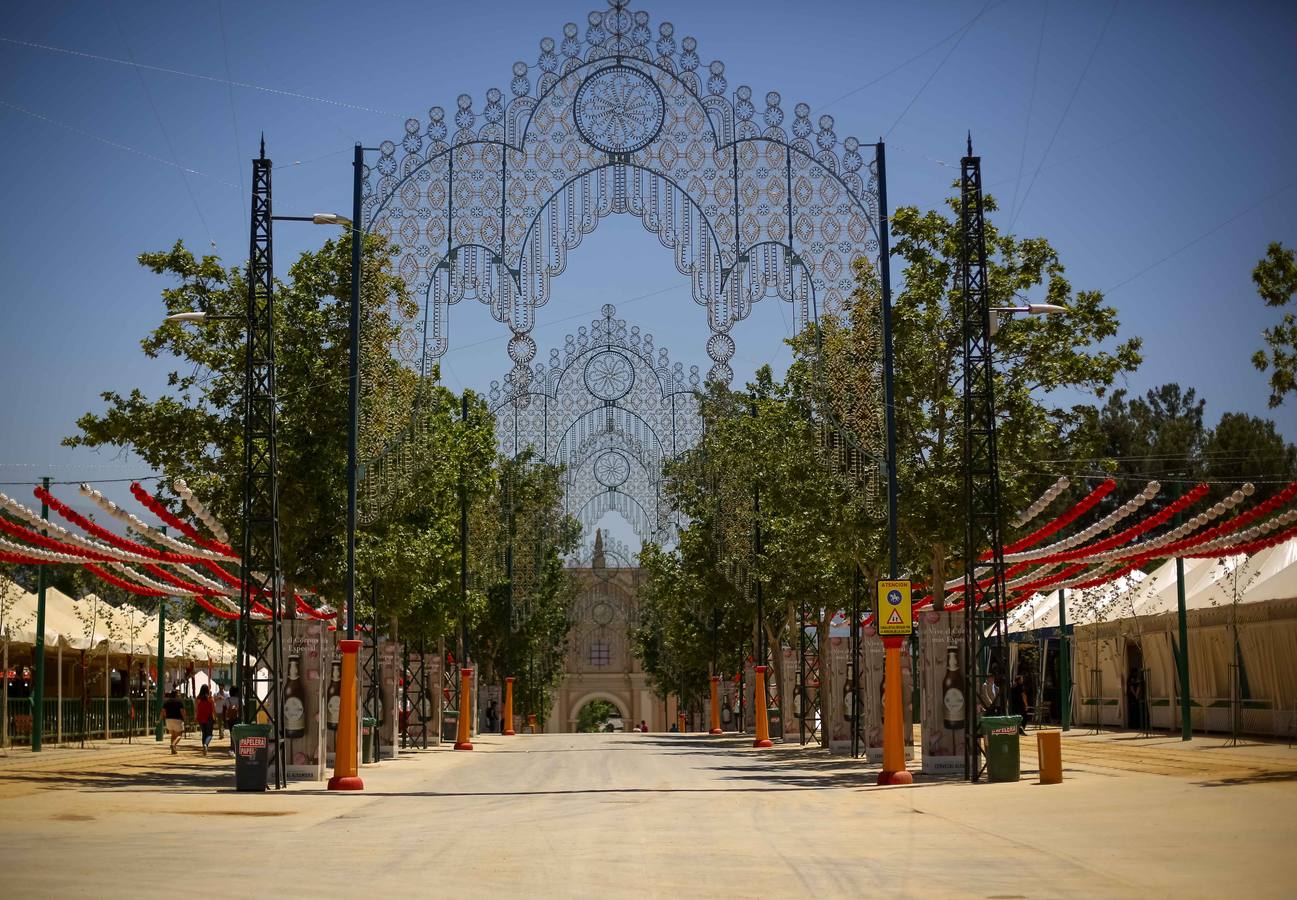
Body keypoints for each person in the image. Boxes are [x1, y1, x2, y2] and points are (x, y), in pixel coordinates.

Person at [160, 690, 185, 755]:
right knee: (179, 735)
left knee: (173, 735)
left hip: (168, 720)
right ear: (176, 695)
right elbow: (182, 711)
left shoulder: (167, 702)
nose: (179, 695)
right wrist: (185, 718)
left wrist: (160, 719)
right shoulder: (179, 702)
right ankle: (173, 744)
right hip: (177, 719)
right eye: (178, 694)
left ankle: (173, 750)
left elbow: (163, 711)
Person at [195, 684, 215, 756]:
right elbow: (213, 709)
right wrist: (214, 717)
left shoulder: (198, 698)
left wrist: (196, 717)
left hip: (200, 718)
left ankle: (204, 746)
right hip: (209, 717)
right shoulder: (210, 698)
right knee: (209, 734)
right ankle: (206, 745)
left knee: (204, 733)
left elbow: (196, 709)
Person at [225, 686, 241, 757]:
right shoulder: (239, 700)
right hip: (236, 718)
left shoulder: (227, 699)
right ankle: (236, 748)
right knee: (238, 734)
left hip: (229, 719)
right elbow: (241, 708)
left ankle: (232, 747)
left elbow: (225, 708)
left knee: (231, 733)